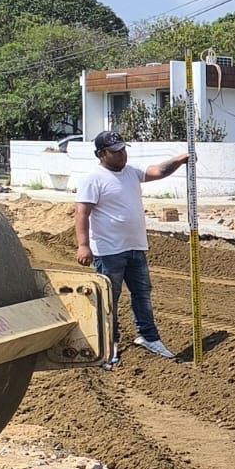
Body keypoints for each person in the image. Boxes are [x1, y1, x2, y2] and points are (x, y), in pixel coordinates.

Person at [74, 130, 188, 363]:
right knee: (109, 300)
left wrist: (179, 160)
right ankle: (109, 344)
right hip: (108, 252)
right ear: (101, 154)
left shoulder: (131, 172)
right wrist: (83, 245)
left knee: (142, 294)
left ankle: (149, 337)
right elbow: (81, 214)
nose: (122, 154)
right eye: (115, 151)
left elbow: (159, 171)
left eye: (123, 149)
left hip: (136, 248)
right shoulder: (93, 179)